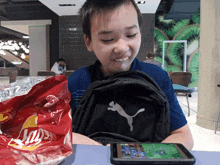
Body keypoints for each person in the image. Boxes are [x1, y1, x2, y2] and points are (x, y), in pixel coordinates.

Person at [68, 0, 194, 150]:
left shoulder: (157, 78)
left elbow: (183, 135)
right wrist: (102, 151)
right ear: (88, 41)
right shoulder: (77, 82)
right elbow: (56, 134)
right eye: (107, 39)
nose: (121, 47)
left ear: (140, 33)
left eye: (130, 34)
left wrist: (141, 154)